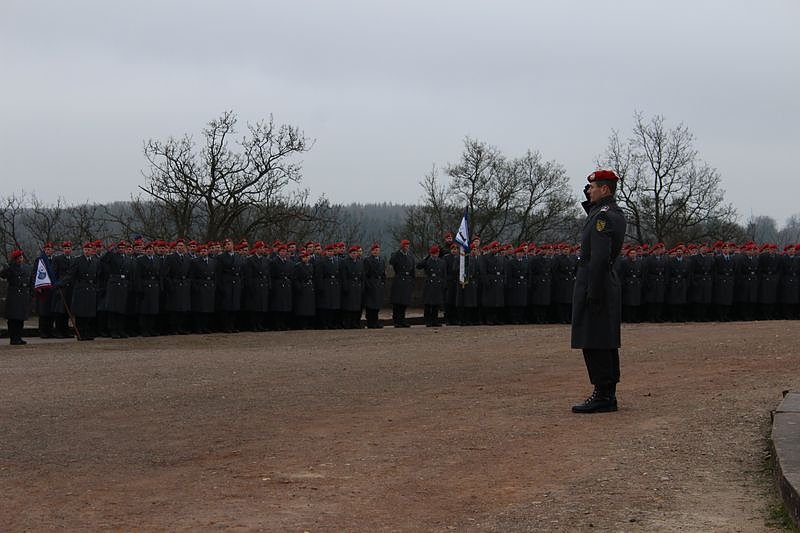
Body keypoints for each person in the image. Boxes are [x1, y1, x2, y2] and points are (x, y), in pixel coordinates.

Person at [571, 170, 626, 414]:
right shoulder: (609, 212)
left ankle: (603, 394)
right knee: (603, 339)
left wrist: (592, 292)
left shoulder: (603, 217)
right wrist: (592, 201)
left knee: (595, 341)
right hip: (603, 281)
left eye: (592, 187)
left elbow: (600, 257)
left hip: (596, 283)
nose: (588, 191)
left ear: (604, 189)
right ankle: (607, 393)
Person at [2, 249, 33, 345]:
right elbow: (3, 275)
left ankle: (19, 337)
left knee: (20, 318)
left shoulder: (26, 268)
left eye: (21, 257)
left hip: (23, 294)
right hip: (14, 294)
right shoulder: (11, 268)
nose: (20, 259)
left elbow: (29, 279)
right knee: (13, 319)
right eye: (18, 258)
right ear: (15, 259)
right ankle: (13, 338)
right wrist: (9, 266)